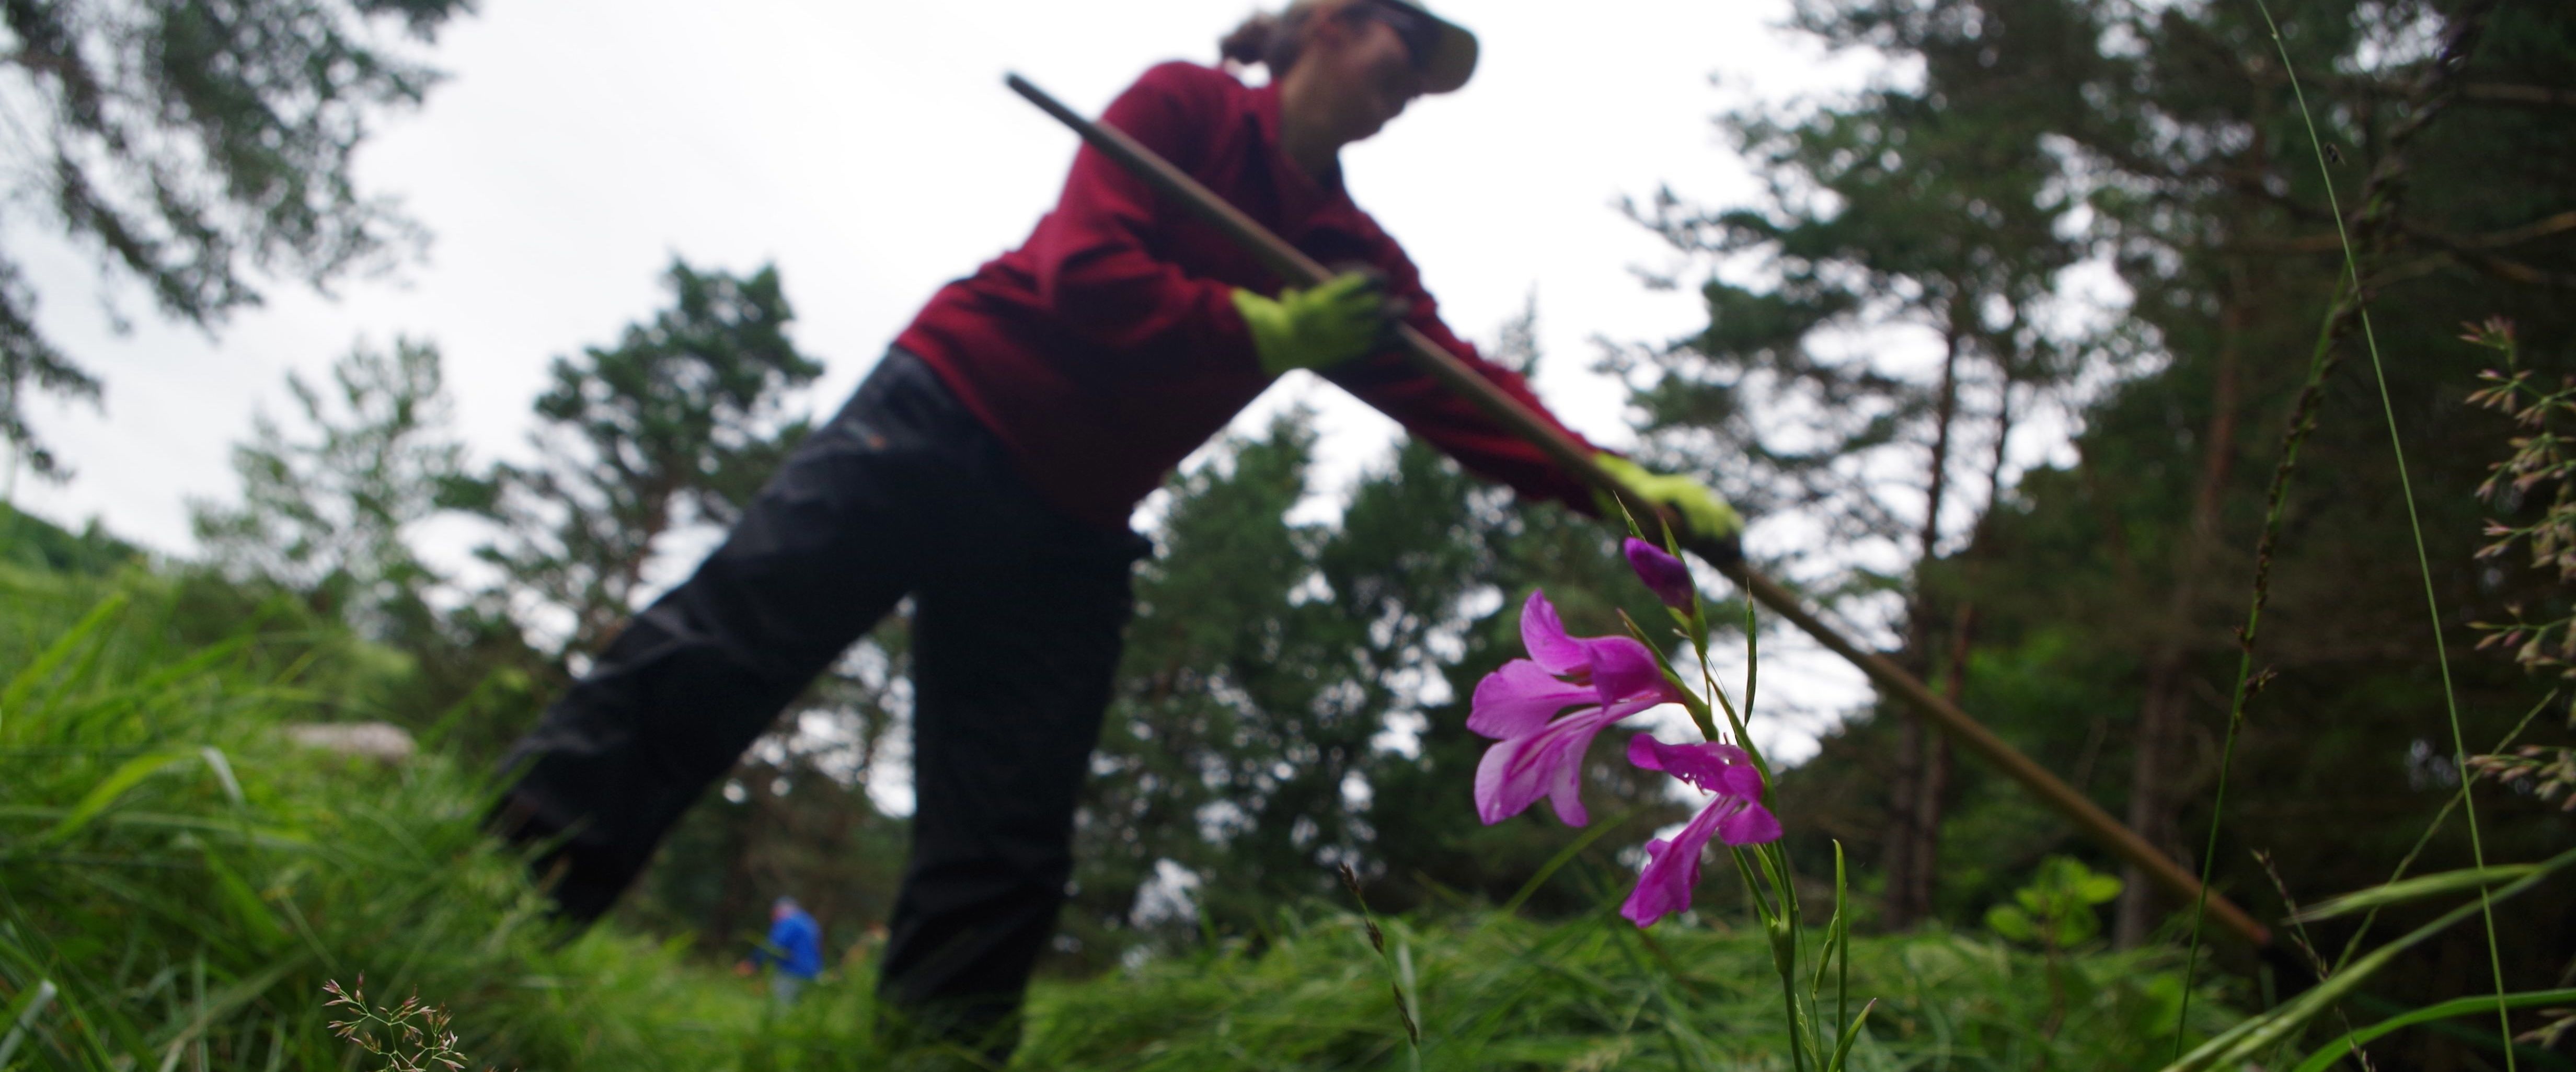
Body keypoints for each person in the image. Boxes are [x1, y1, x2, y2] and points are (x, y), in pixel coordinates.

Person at [487, 0, 1739, 1061]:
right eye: (1402, 57)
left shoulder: (1346, 251)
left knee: (1007, 833)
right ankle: (487, 919)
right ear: (1326, 22)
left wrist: (1620, 484)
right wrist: (1259, 330)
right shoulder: (1183, 106)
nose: (1410, 93)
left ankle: (937, 1052)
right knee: (714, 660)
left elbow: (1464, 394)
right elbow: (1084, 271)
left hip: (1068, 522)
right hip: (944, 419)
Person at [742, 896, 824, 1005]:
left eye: (774, 915)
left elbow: (773, 946)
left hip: (792, 974)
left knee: (780, 1009)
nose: (773, 920)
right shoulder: (809, 922)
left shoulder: (790, 922)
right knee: (798, 1010)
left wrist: (753, 963)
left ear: (779, 911)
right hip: (812, 974)